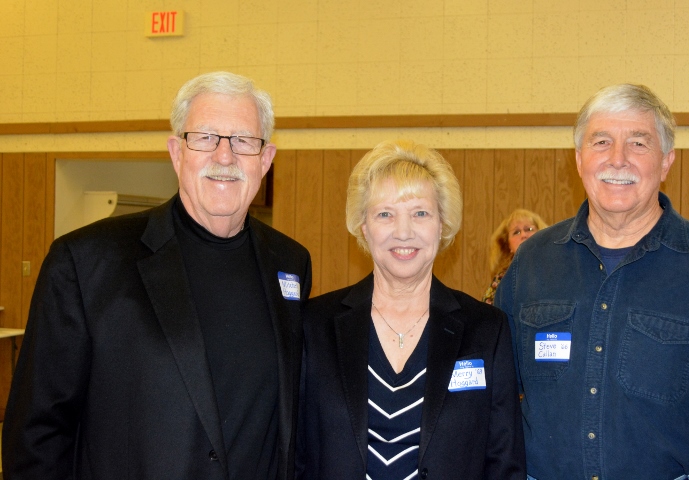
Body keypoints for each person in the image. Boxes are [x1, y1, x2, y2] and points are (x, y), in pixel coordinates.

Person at [2, 71, 312, 479]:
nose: (225, 156)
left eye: (243, 140)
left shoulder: (290, 263)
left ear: (266, 159)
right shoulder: (86, 261)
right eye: (204, 137)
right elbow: (37, 434)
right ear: (176, 152)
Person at [495, 84, 689, 479]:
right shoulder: (532, 263)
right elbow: (490, 400)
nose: (617, 159)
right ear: (578, 158)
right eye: (601, 141)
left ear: (666, 162)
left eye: (638, 143)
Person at [296, 140, 525, 479]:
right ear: (364, 226)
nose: (403, 232)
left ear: (442, 224)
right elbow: (295, 458)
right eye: (385, 214)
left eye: (420, 213)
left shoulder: (486, 330)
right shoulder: (314, 325)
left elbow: (504, 465)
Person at [482, 209, 548, 304]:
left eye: (528, 229)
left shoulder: (554, 271)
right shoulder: (502, 280)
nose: (523, 235)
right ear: (508, 245)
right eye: (516, 232)